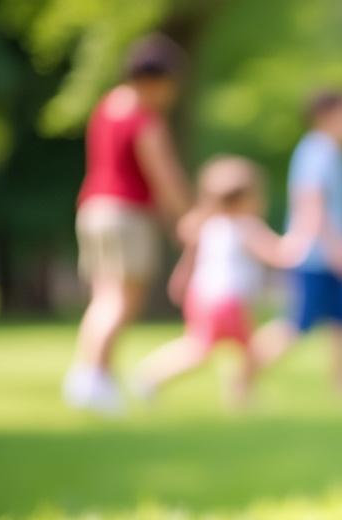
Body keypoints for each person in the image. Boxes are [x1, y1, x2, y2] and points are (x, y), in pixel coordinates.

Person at [64, 33, 191, 415]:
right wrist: (186, 216)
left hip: (92, 209)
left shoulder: (107, 107)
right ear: (157, 79)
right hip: (127, 214)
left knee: (104, 297)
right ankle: (95, 379)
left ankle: (89, 374)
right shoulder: (144, 118)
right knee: (122, 300)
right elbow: (163, 175)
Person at [133, 157, 295, 406]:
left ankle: (153, 376)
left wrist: (180, 280)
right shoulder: (245, 226)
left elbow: (191, 260)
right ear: (243, 199)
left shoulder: (208, 226)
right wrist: (302, 243)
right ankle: (237, 394)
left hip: (202, 298)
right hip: (227, 301)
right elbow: (277, 253)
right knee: (241, 351)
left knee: (203, 348)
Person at [253, 89, 342, 394]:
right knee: (297, 323)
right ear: (328, 116)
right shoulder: (318, 151)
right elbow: (312, 201)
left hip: (330, 254)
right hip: (317, 256)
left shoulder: (331, 152)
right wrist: (337, 248)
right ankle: (247, 368)